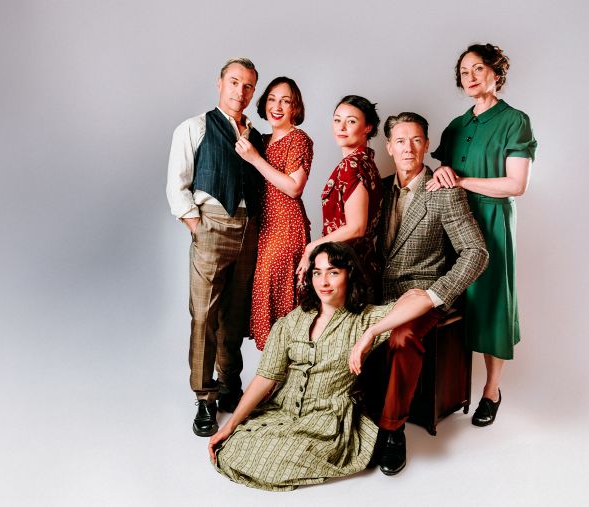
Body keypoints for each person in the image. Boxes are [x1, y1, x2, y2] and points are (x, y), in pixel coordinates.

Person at [208, 242, 435, 491]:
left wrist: (371, 333)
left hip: (327, 421)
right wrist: (229, 426)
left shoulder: (365, 318)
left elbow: (421, 298)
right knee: (234, 447)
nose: (323, 281)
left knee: (282, 457)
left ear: (350, 274)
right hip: (282, 412)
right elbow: (265, 378)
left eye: (333, 272)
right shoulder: (291, 321)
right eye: (317, 272)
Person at [367, 112, 488, 475]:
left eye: (416, 140)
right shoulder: (382, 189)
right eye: (400, 141)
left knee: (402, 337)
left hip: (422, 295)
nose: (408, 148)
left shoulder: (443, 191)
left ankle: (392, 432)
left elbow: (476, 251)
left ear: (427, 144)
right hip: (380, 294)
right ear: (388, 147)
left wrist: (437, 294)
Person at [428, 43, 538, 427]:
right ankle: (449, 389)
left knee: (492, 305)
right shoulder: (455, 127)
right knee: (453, 306)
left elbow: (516, 184)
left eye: (477, 69)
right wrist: (444, 177)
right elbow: (440, 177)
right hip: (453, 223)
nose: (470, 78)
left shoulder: (515, 121)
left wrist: (462, 181)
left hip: (492, 222)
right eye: (463, 73)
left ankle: (491, 390)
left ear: (496, 73)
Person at [165, 57, 265, 437]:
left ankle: (229, 386)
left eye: (249, 86)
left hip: (248, 229)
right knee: (205, 315)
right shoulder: (195, 127)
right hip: (211, 225)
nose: (241, 91)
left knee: (235, 315)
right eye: (235, 82)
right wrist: (196, 224)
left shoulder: (254, 135)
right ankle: (204, 399)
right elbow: (178, 183)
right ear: (220, 83)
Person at [234, 77, 314, 351]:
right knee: (262, 296)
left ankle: (284, 383)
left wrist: (255, 158)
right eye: (272, 99)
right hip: (263, 227)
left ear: (295, 107)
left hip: (286, 226)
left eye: (285, 100)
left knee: (279, 296)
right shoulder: (262, 139)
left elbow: (294, 188)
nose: (277, 106)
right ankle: (274, 380)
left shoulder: (299, 139)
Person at [297, 95, 383, 293]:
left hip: (347, 268)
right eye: (337, 120)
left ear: (368, 127)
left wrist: (311, 247)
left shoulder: (351, 166)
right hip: (360, 263)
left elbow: (356, 228)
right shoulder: (367, 163)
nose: (341, 127)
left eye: (351, 121)